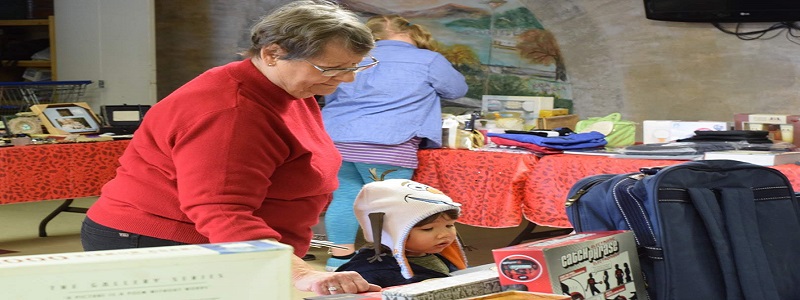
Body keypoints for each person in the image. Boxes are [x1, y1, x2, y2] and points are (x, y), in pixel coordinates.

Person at [79, 0, 381, 296]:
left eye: (356, 66)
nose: (348, 78)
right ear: (273, 53)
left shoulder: (290, 88)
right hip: (161, 238)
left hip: (215, 239)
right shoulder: (232, 113)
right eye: (331, 68)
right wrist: (299, 272)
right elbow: (221, 210)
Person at [321, 14, 468, 271]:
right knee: (394, 205)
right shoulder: (428, 59)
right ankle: (390, 260)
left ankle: (338, 259)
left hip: (337, 139)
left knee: (344, 197)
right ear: (414, 35)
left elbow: (329, 94)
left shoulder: (351, 57)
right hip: (388, 143)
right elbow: (457, 90)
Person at [335, 177, 469, 288]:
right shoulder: (368, 272)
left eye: (449, 225)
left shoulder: (438, 255)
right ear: (392, 232)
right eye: (428, 229)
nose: (444, 234)